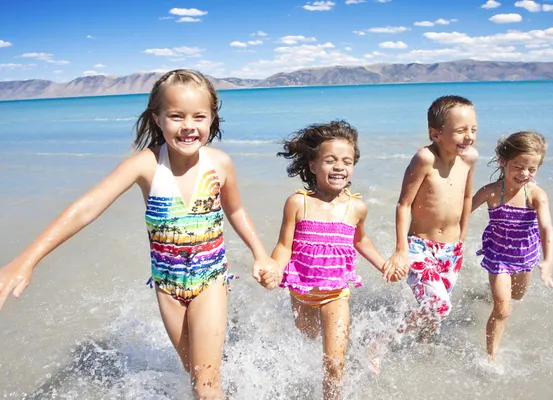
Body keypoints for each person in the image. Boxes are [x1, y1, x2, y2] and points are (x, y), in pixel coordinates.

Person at [0, 69, 279, 399]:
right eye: (176, 116)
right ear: (158, 119)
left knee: (206, 388)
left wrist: (260, 254)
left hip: (210, 281)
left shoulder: (219, 163)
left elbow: (235, 210)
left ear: (211, 118)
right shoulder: (145, 165)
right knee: (195, 376)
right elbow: (86, 208)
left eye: (198, 116)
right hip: (167, 288)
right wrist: (26, 260)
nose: (188, 125)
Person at [270, 120, 403, 400]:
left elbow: (359, 240)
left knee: (334, 362)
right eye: (330, 160)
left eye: (347, 161)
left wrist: (384, 264)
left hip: (335, 293)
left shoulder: (356, 207)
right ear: (313, 165)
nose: (339, 166)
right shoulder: (298, 202)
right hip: (302, 291)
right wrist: (272, 268)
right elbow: (284, 245)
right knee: (310, 343)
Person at [382, 95, 478, 340]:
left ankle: (424, 354)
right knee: (439, 306)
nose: (469, 136)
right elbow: (404, 204)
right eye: (461, 131)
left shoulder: (469, 158)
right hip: (420, 246)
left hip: (452, 249)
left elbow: (467, 198)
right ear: (436, 134)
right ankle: (383, 338)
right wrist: (401, 249)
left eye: (473, 129)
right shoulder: (425, 159)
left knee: (435, 315)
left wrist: (462, 236)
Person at [471, 131, 553, 361]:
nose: (524, 174)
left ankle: (492, 297)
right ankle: (491, 358)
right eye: (518, 166)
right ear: (503, 161)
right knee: (503, 310)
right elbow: (460, 215)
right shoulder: (490, 192)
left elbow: (546, 228)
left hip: (525, 256)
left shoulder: (536, 194)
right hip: (498, 255)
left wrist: (548, 260)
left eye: (532, 169)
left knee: (516, 297)